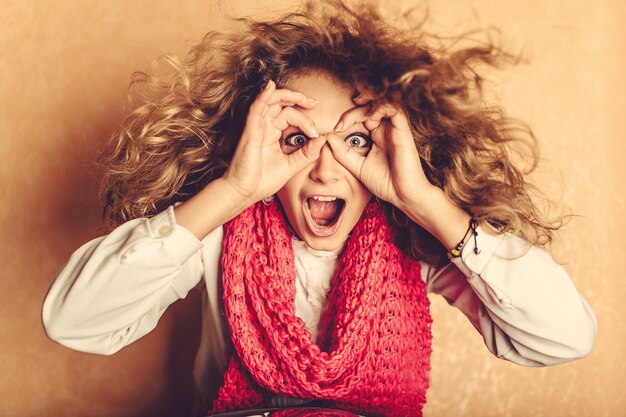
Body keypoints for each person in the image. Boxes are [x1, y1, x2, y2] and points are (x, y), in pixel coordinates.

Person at [42, 2, 597, 417]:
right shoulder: (220, 233)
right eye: (294, 140)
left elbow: (564, 336)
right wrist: (233, 189)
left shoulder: (415, 243)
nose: (326, 171)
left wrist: (426, 201)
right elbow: (75, 321)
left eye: (355, 142)